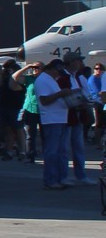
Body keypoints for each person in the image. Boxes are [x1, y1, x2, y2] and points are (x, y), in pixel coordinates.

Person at [32, 57, 77, 189]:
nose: (59, 74)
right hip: (52, 120)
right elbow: (45, 100)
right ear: (52, 69)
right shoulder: (42, 80)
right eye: (58, 71)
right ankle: (50, 180)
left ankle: (60, 177)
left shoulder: (51, 80)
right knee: (52, 151)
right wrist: (61, 94)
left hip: (60, 118)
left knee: (61, 151)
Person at [62, 52, 92, 184]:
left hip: (78, 115)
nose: (80, 63)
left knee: (78, 146)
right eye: (78, 61)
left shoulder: (78, 77)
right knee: (64, 148)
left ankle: (81, 175)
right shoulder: (63, 77)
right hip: (66, 116)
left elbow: (85, 93)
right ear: (71, 62)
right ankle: (63, 176)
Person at [0, 59, 26, 160]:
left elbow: (13, 86)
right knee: (8, 130)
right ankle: (9, 151)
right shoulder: (4, 77)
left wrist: (13, 74)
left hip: (16, 107)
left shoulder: (19, 78)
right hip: (4, 106)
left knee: (18, 129)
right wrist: (3, 74)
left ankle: (22, 151)